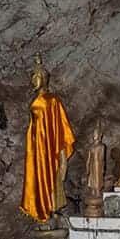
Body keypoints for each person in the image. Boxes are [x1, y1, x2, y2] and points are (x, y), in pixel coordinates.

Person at [20, 54, 76, 224]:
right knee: (36, 179)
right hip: (36, 147)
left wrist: (60, 152)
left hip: (49, 146)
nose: (33, 80)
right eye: (32, 76)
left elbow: (58, 125)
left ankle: (50, 210)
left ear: (44, 79)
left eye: (37, 76)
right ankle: (39, 209)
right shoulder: (34, 101)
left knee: (50, 176)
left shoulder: (52, 100)